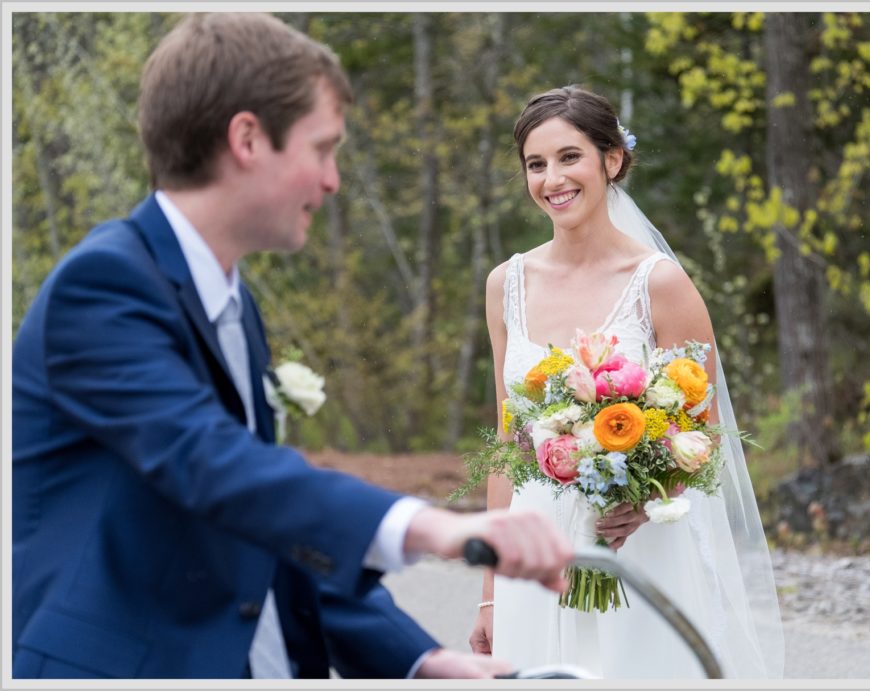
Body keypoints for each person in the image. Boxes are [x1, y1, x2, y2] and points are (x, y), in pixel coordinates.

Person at [11, 13, 574, 680]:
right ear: (247, 138)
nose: (333, 180)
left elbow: (262, 521)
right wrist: (435, 527)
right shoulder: (102, 286)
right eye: (322, 148)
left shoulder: (231, 299)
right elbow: (211, 464)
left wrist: (423, 658)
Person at [469, 86, 785, 678]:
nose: (551, 179)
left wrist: (645, 498)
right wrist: (491, 590)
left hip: (636, 547)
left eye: (569, 157)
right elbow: (506, 445)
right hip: (534, 552)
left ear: (611, 160)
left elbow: (705, 435)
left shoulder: (659, 284)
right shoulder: (505, 284)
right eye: (535, 165)